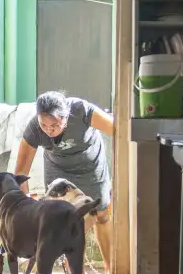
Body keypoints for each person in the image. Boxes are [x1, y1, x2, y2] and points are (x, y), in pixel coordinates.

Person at [13, 91, 115, 223]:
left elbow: (119, 130)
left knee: (100, 214)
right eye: (44, 125)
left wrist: (119, 178)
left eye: (55, 125)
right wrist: (26, 204)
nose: (49, 130)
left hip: (90, 167)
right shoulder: (34, 129)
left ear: (66, 117)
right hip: (57, 167)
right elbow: (21, 173)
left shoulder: (82, 111)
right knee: (55, 216)